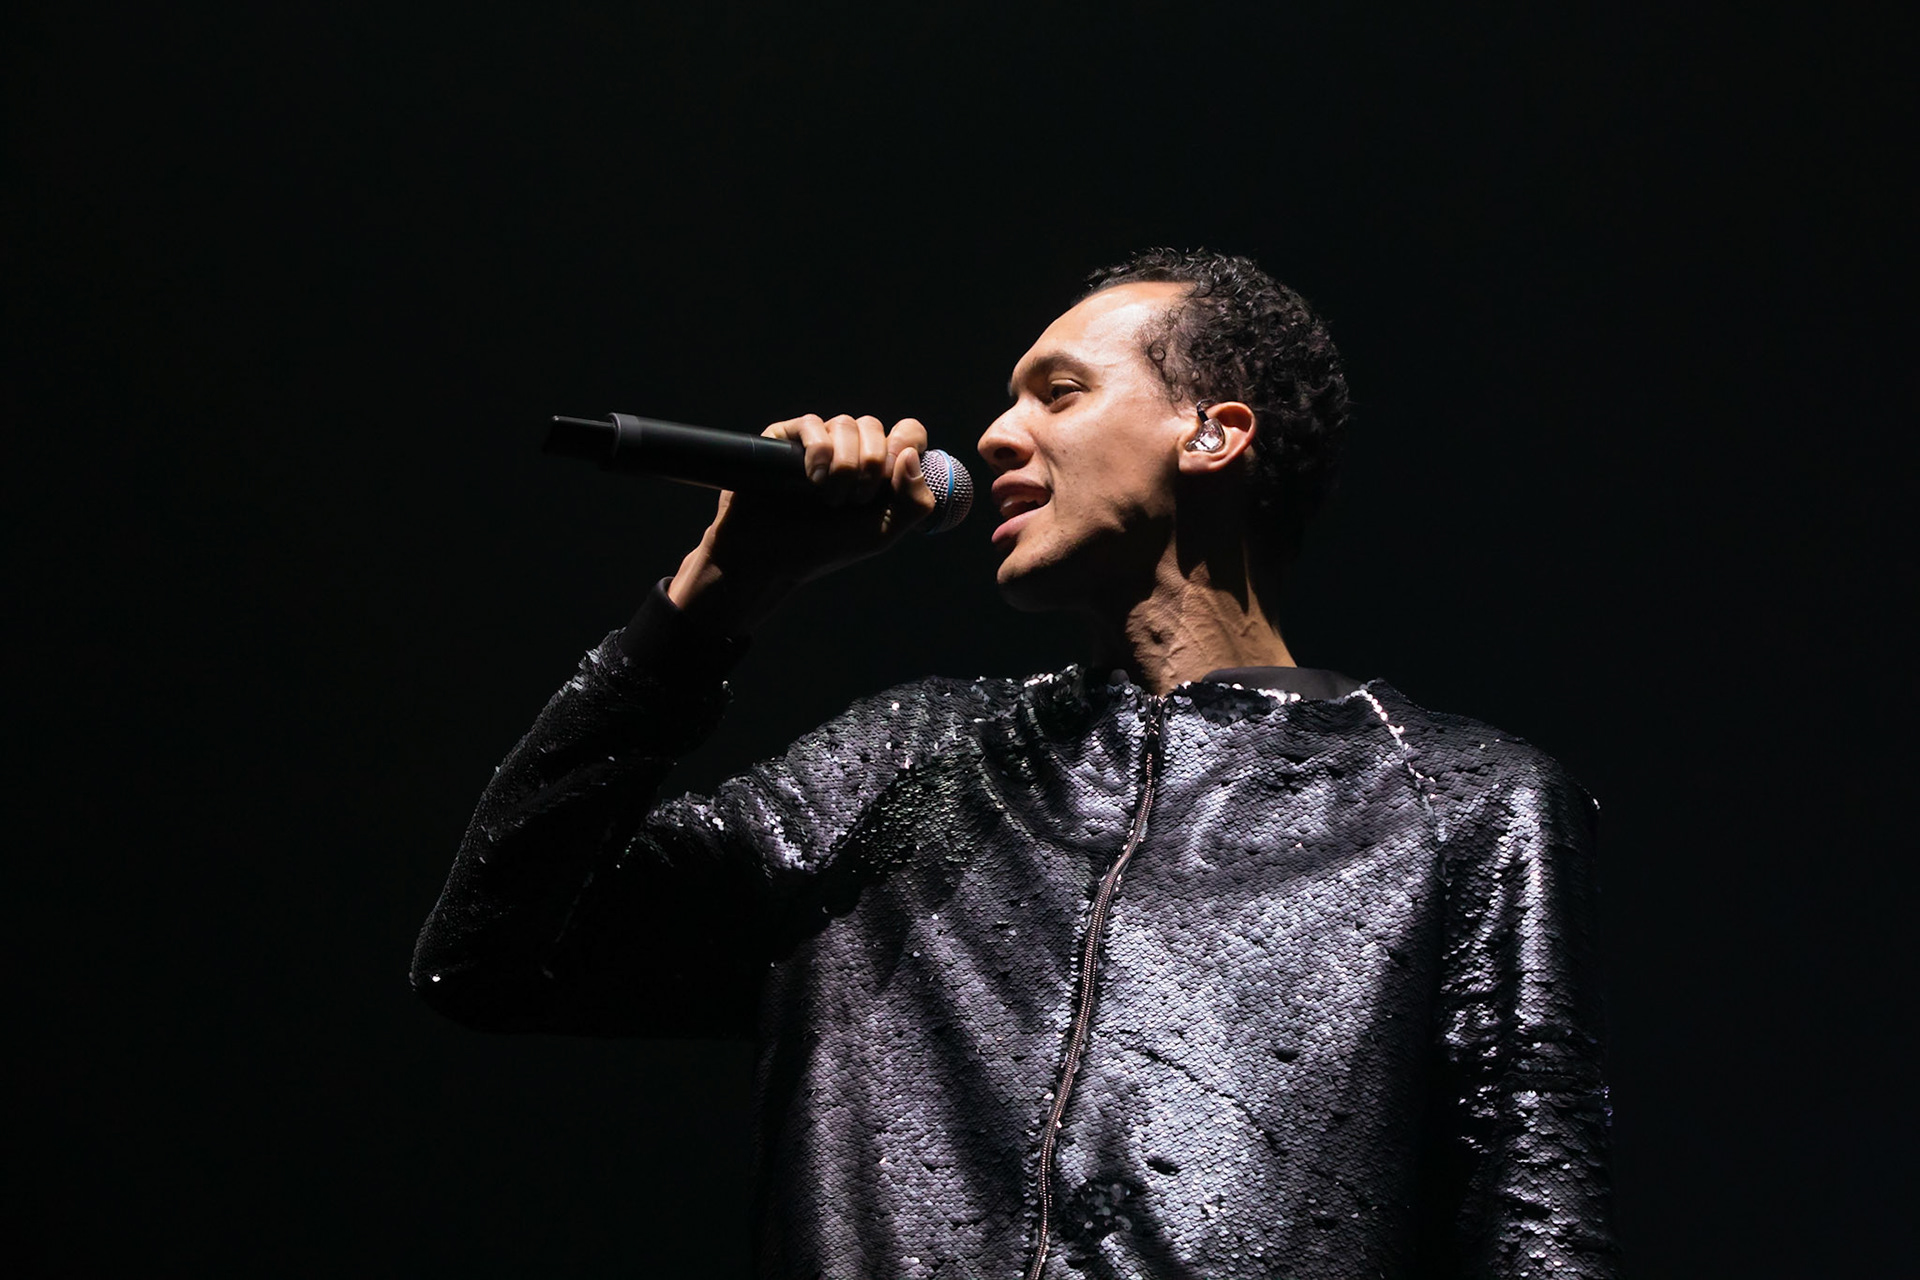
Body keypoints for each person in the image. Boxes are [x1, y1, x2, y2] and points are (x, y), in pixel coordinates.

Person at [413, 249, 1617, 1278]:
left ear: (1215, 431)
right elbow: (496, 954)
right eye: (1005, 400)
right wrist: (715, 599)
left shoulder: (1455, 803)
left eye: (1061, 389)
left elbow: (1534, 1223)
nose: (993, 434)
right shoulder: (905, 766)